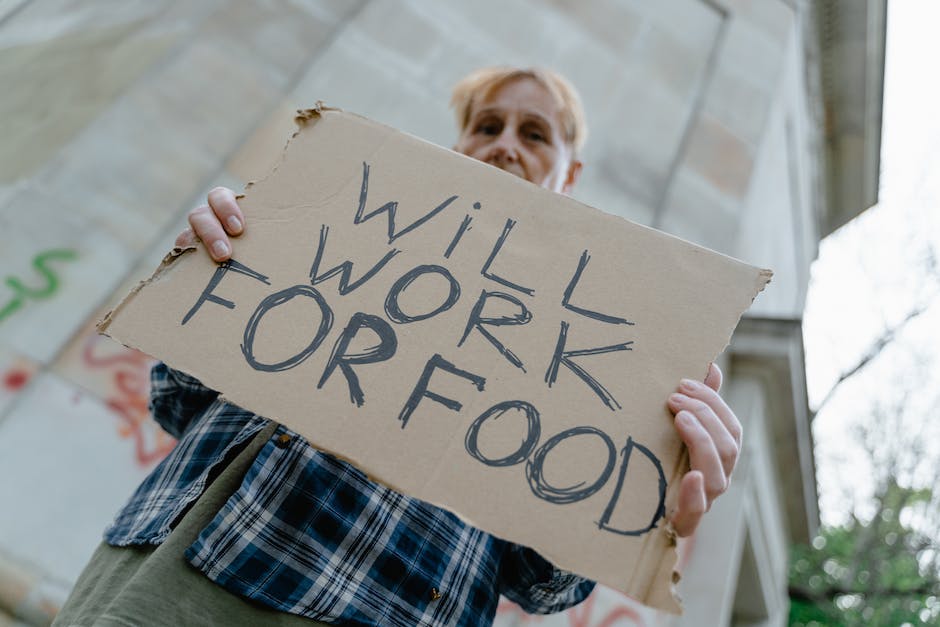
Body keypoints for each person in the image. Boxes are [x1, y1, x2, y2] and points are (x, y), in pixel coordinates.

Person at [54, 67, 741, 626]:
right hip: (178, 580)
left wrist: (644, 516)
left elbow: (542, 583)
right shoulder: (325, 216)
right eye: (487, 125)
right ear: (459, 145)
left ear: (569, 174)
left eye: (535, 134)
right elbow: (179, 402)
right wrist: (202, 281)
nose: (505, 144)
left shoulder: (607, 338)